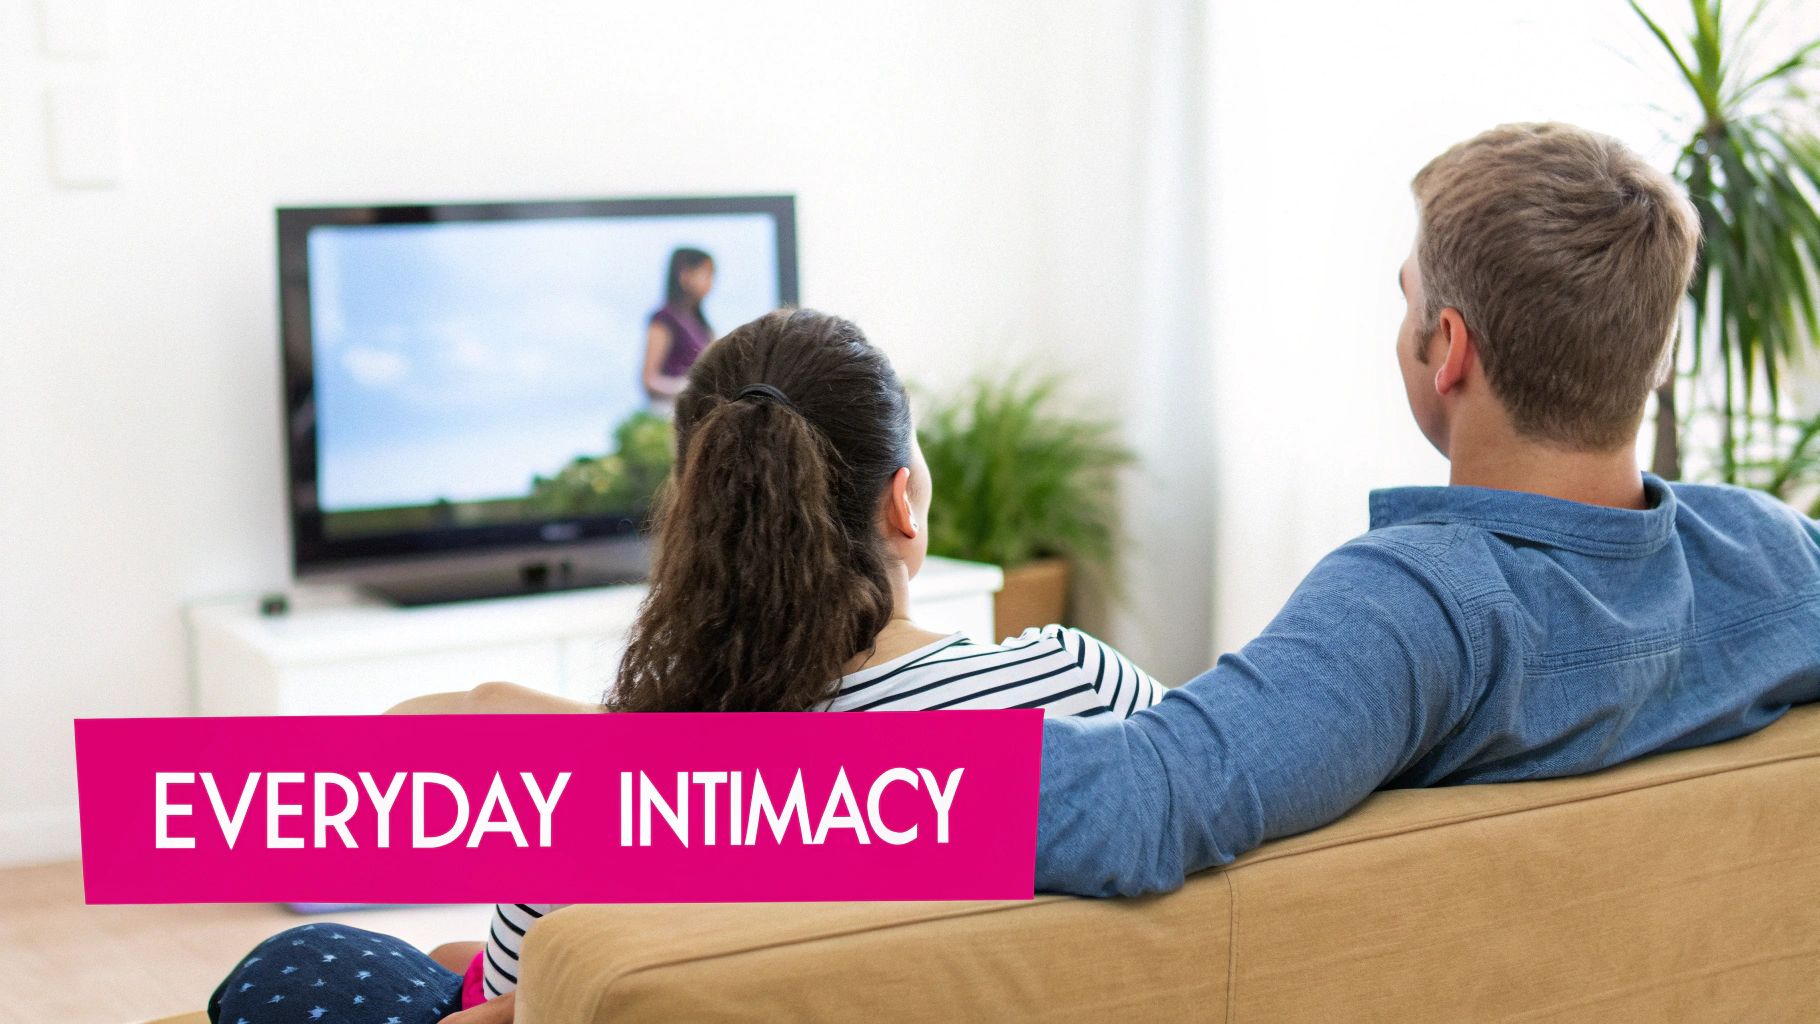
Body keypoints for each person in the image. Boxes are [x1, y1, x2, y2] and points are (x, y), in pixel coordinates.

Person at [209, 309, 1166, 1023]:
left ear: (696, 520)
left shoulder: (607, 807)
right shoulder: (1086, 688)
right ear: (903, 503)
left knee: (316, 962)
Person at [1035, 121, 1820, 898]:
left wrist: (907, 755)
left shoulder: (1423, 606)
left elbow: (1138, 804)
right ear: (1658, 348)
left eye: (1406, 299)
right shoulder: (1773, 551)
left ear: (1450, 348)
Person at [640, 246, 716, 413]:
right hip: (669, 413)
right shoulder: (664, 319)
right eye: (705, 273)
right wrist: (686, 388)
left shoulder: (701, 324)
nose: (711, 282)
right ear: (685, 275)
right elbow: (649, 379)